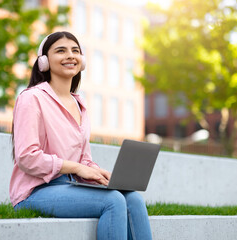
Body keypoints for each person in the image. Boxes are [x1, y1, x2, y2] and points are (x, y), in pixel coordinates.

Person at [10, 31, 152, 240]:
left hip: (70, 186)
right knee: (113, 200)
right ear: (44, 61)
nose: (70, 55)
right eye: (61, 51)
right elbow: (27, 157)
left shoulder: (79, 104)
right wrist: (77, 168)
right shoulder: (31, 98)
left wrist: (101, 174)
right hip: (35, 191)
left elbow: (83, 158)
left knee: (134, 199)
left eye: (75, 51)